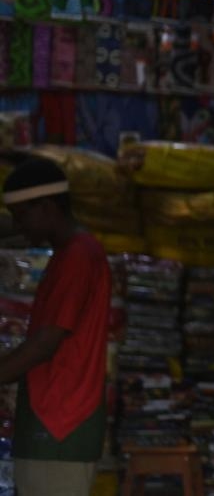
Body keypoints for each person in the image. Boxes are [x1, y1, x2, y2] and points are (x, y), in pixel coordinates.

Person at [0, 158, 111, 496]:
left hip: (60, 420)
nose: (20, 227)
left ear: (47, 208)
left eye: (22, 216)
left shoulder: (77, 257)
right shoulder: (69, 254)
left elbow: (45, 343)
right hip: (53, 417)